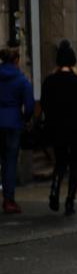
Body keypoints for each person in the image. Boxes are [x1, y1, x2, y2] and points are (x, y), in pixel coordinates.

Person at [41, 41, 77, 216]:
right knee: (75, 165)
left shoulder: (49, 82)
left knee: (60, 163)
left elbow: (45, 105)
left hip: (57, 129)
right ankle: (70, 201)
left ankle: (54, 191)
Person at [0, 48, 34, 214]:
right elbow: (29, 105)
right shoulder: (21, 79)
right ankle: (8, 199)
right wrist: (26, 119)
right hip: (13, 123)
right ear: (16, 61)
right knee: (10, 161)